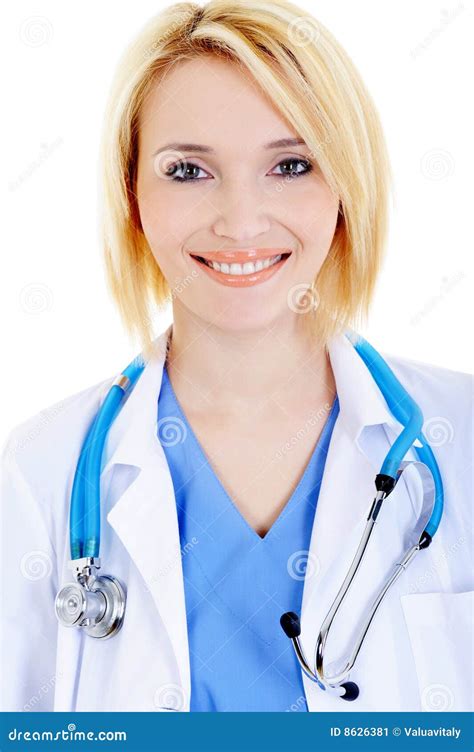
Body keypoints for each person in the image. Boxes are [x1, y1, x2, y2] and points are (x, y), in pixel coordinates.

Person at [1, 0, 472, 713]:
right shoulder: (35, 480)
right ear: (131, 194)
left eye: (291, 164)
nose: (242, 221)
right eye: (188, 170)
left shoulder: (460, 440)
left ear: (346, 186)